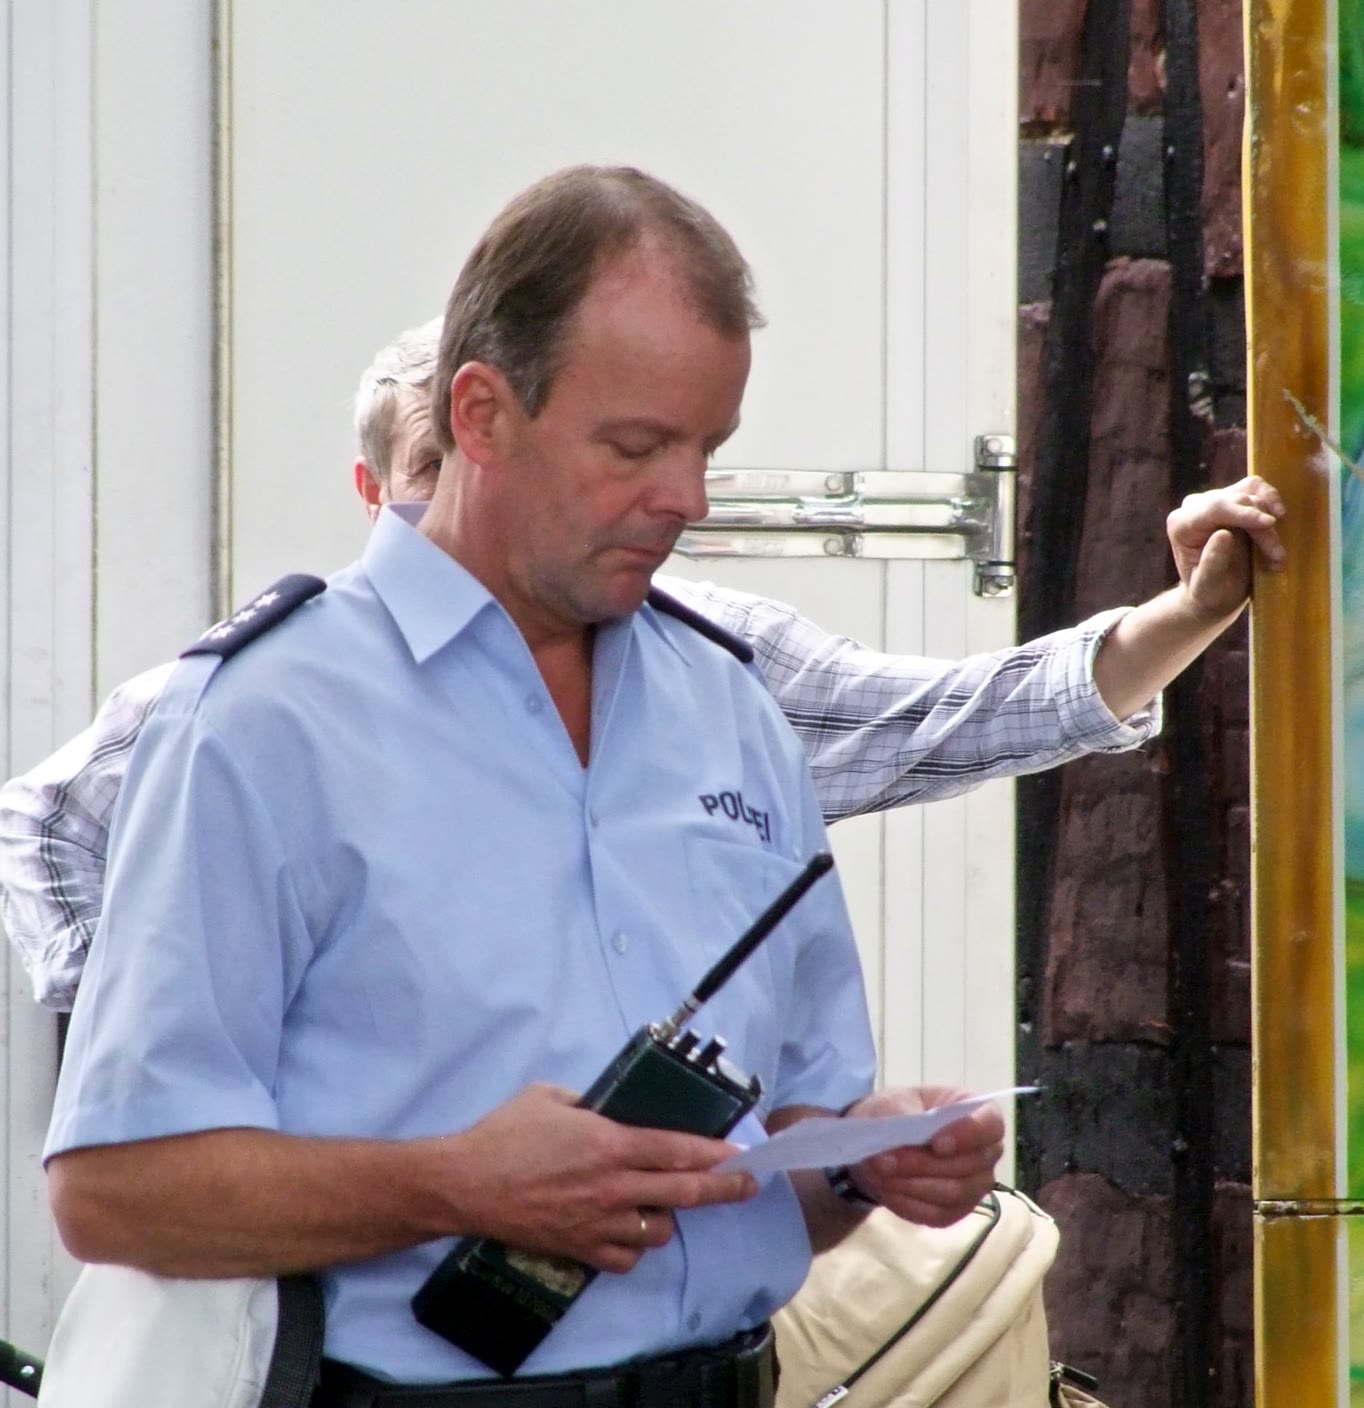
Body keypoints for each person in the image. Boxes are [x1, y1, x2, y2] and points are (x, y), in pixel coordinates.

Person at [43, 165, 1010, 1408]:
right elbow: (116, 1187)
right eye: (634, 444)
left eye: (708, 447)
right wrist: (452, 1181)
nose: (685, 496)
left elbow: (769, 1167)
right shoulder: (265, 726)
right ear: (479, 411)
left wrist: (867, 1163)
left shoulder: (728, 714)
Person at [0, 320, 1283, 1014]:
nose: (461, 505)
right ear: (369, 489)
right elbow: (46, 815)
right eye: (425, 473)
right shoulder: (286, 685)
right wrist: (135, 1024)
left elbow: (950, 716)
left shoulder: (708, 665)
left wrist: (1187, 612)